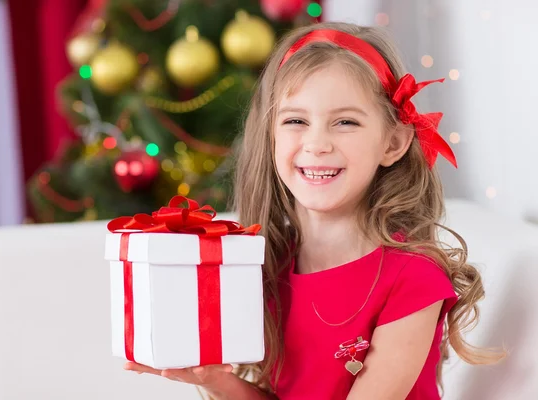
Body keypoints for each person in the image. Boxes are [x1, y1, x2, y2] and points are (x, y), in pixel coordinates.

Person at [123, 21, 505, 399]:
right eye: (295, 121)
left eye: (345, 122)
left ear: (393, 143)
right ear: (270, 135)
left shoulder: (413, 279)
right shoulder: (269, 262)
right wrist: (214, 380)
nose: (317, 143)